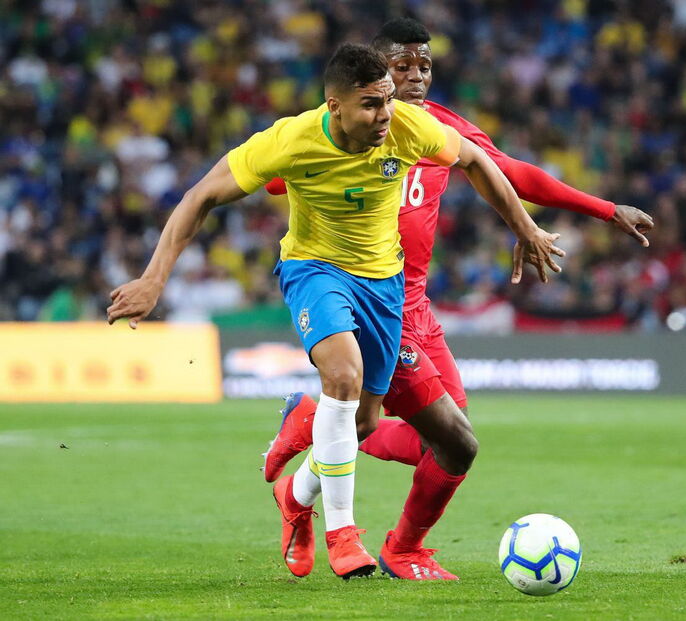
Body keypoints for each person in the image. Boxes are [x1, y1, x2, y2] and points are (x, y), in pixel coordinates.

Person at [106, 42, 565, 580]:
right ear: (334, 106)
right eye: (371, 104)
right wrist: (154, 277)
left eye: (389, 101)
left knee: (368, 423)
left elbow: (475, 159)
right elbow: (200, 196)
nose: (385, 115)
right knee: (343, 376)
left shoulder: (408, 128)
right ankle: (342, 535)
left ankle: (295, 497)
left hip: (383, 289)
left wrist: (526, 227)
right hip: (315, 271)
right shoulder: (291, 140)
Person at [262, 19, 654, 581]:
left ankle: (312, 450)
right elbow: (280, 178)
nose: (416, 76)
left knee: (441, 443)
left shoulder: (439, 129)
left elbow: (511, 172)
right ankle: (395, 545)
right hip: (365, 294)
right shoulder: (346, 131)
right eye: (401, 67)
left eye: (424, 66)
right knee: (443, 440)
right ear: (375, 74)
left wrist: (604, 208)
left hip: (414, 304)